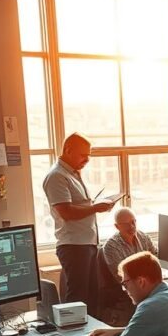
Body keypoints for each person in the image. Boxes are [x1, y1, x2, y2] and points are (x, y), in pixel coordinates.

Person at [42, 133, 115, 311]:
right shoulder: (57, 176)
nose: (87, 159)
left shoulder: (73, 173)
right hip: (74, 246)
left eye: (89, 155)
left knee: (92, 297)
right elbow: (66, 212)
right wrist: (96, 208)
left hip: (87, 243)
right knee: (78, 299)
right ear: (68, 150)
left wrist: (95, 206)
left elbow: (78, 206)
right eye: (83, 155)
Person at [101, 207, 157, 282]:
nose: (131, 226)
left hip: (147, 282)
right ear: (117, 226)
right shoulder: (111, 246)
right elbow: (122, 276)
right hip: (127, 287)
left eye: (133, 222)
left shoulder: (143, 237)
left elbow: (156, 258)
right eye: (126, 224)